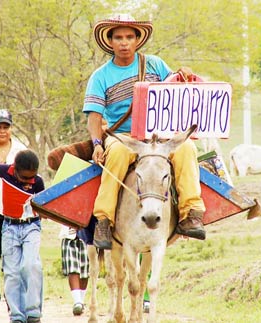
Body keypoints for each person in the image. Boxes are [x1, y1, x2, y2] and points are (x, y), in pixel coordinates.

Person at [83, 14, 206, 250]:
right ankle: (104, 220)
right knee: (117, 154)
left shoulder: (155, 65)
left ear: (138, 40)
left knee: (187, 147)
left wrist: (185, 76)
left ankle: (191, 213)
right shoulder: (100, 76)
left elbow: (175, 91)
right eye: (118, 37)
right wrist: (98, 143)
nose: (124, 42)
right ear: (109, 42)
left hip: (159, 136)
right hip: (126, 138)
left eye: (129, 36)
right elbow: (94, 117)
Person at [0, 109, 27, 318]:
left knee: (13, 258)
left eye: (6, 126)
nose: (2, 130)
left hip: (14, 211)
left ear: (11, 128)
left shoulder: (20, 150)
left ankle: (13, 301)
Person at [0, 149, 44, 323]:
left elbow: (43, 206)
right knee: (12, 272)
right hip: (9, 227)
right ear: (14, 170)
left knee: (30, 265)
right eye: (26, 178)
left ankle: (33, 311)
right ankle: (16, 315)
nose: (30, 181)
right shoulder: (2, 171)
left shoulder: (38, 181)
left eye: (32, 177)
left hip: (31, 226)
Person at [59, 218, 95, 316]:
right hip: (69, 234)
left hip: (86, 235)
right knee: (72, 268)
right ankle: (77, 301)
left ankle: (81, 301)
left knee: (85, 270)